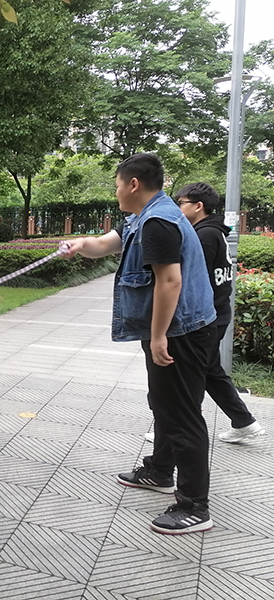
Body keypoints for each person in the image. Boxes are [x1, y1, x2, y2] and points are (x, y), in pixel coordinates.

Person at [62, 153, 217, 535]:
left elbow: (170, 281)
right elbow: (105, 244)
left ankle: (194, 505)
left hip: (181, 332)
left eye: (117, 184)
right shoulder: (142, 217)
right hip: (174, 329)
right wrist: (79, 244)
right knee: (164, 404)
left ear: (133, 184)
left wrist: (159, 335)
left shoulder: (158, 222)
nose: (115, 191)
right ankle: (160, 471)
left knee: (182, 415)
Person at [175, 182, 264, 443]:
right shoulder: (212, 232)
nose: (178, 208)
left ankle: (174, 429)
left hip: (206, 316)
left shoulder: (205, 236)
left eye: (181, 203)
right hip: (216, 312)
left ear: (198, 206)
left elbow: (191, 279)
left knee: (189, 373)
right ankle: (244, 422)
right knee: (209, 371)